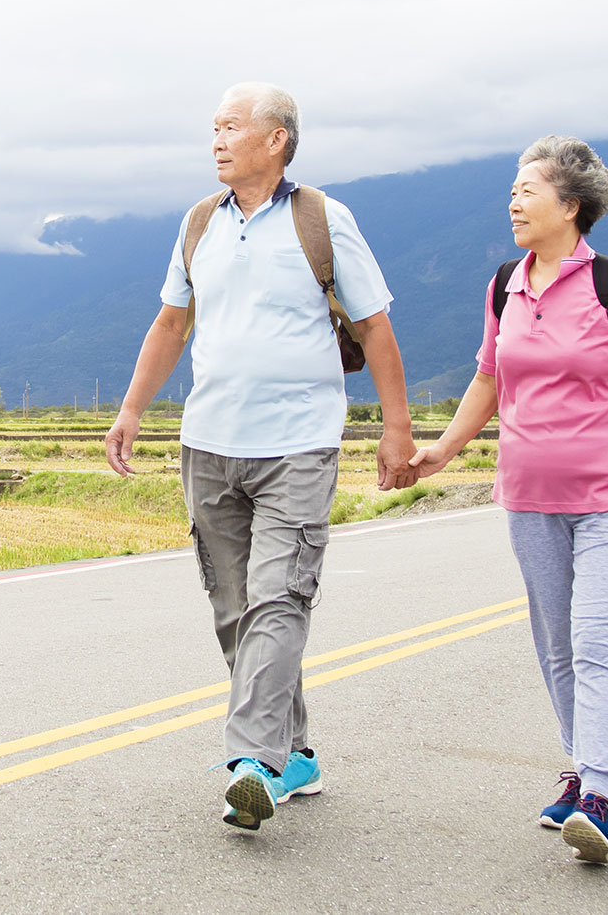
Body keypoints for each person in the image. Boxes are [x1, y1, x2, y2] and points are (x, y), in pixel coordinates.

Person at [104, 82, 419, 831]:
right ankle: (296, 754)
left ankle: (252, 762)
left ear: (275, 139)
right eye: (212, 129)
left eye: (229, 127)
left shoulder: (323, 220)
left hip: (298, 445)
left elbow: (374, 327)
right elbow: (171, 323)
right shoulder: (198, 224)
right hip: (209, 446)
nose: (215, 141)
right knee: (237, 613)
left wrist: (397, 427)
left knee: (280, 597)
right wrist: (131, 410)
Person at [409, 135, 608, 865]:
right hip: (531, 496)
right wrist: (442, 450)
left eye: (527, 189)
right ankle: (578, 769)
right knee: (557, 645)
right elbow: (488, 380)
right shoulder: (504, 283)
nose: (512, 201)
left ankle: (599, 790)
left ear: (570, 206)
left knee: (598, 640)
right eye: (511, 189)